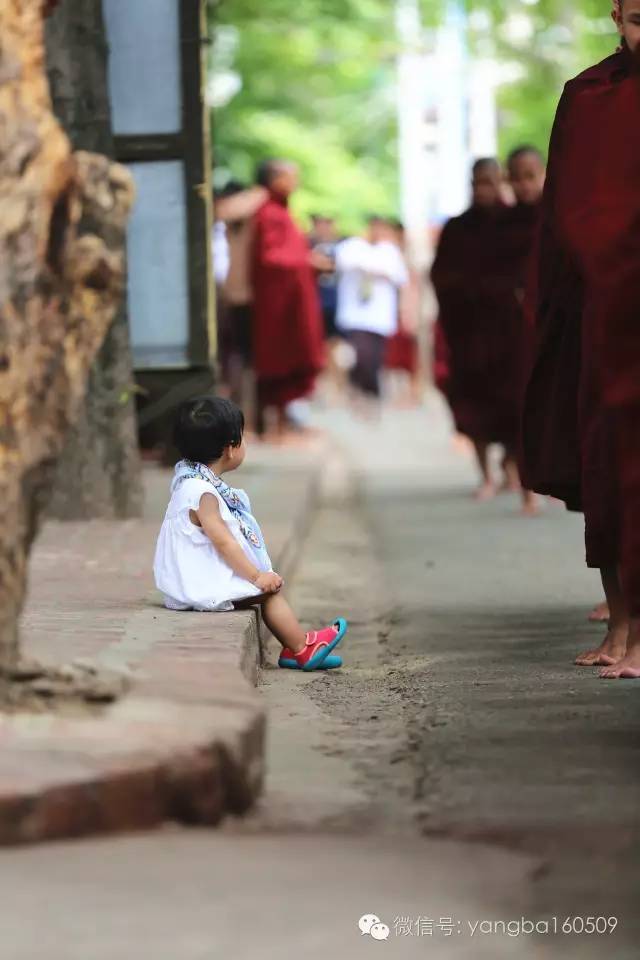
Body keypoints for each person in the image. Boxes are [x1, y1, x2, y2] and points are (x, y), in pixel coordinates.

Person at [521, 0, 640, 674]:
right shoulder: (588, 96)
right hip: (602, 307)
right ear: (617, 15)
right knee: (605, 466)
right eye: (637, 19)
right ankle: (619, 625)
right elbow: (566, 208)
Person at [154, 396, 348, 670]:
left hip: (189, 578)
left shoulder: (187, 479)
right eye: (242, 438)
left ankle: (294, 648)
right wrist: (257, 576)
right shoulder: (204, 493)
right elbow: (223, 542)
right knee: (269, 593)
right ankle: (302, 648)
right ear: (230, 449)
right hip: (199, 585)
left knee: (264, 590)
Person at [431, 158, 521, 499]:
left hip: (511, 332)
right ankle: (485, 473)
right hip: (469, 331)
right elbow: (440, 276)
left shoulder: (517, 223)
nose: (485, 189)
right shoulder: (458, 228)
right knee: (474, 403)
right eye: (479, 183)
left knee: (515, 404)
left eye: (492, 182)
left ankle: (512, 468)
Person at [251, 160, 325, 438]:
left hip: (291, 301)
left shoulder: (284, 213)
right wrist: (306, 261)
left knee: (289, 363)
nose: (294, 183)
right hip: (277, 306)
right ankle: (274, 431)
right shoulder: (269, 213)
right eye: (288, 177)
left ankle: (283, 428)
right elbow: (270, 257)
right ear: (272, 180)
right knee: (276, 365)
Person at [503, 145, 547, 514]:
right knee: (521, 406)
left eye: (531, 175)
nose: (524, 185)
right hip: (514, 333)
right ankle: (527, 488)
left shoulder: (559, 215)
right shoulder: (503, 225)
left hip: (552, 325)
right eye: (517, 177)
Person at [335, 216, 408, 408]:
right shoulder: (353, 246)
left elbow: (396, 274)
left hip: (379, 317)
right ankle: (359, 390)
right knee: (359, 354)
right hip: (355, 314)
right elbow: (346, 262)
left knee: (374, 356)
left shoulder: (389, 251)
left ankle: (370, 393)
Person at [383, 220, 422, 407]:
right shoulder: (388, 254)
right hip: (393, 309)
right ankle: (401, 394)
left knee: (409, 355)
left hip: (407, 308)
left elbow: (412, 286)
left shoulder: (407, 257)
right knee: (395, 356)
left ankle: (413, 392)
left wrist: (410, 311)